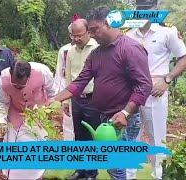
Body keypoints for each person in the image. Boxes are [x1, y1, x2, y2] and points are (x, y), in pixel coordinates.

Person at [47, 6, 153, 180]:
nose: (93, 34)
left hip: (124, 118)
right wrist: (55, 99)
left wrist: (126, 112)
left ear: (108, 24)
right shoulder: (97, 54)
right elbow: (80, 82)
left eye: (95, 30)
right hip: (105, 118)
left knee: (116, 164)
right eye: (90, 31)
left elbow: (144, 85)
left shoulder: (130, 49)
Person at [125, 1, 186, 179]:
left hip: (156, 90)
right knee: (131, 137)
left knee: (157, 137)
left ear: (156, 8)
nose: (144, 11)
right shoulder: (128, 34)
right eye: (141, 7)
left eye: (148, 7)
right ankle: (129, 176)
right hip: (132, 91)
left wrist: (167, 79)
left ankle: (158, 175)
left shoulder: (167, 32)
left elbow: (183, 57)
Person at [0, 60, 56, 179]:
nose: (18, 87)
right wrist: (2, 122)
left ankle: (36, 176)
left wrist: (48, 110)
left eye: (21, 85)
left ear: (28, 77)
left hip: (38, 113)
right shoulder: (3, 78)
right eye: (15, 84)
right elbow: (3, 102)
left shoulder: (42, 71)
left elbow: (53, 93)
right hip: (16, 113)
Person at [65, 19, 101, 180]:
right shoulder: (70, 51)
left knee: (92, 135)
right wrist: (66, 100)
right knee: (78, 135)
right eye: (74, 36)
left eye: (80, 35)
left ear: (88, 32)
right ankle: (80, 170)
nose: (77, 39)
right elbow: (68, 77)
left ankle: (91, 173)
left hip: (93, 98)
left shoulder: (98, 48)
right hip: (76, 100)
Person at [54, 22, 75, 141]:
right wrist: (57, 92)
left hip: (84, 89)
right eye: (72, 34)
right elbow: (59, 71)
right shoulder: (64, 50)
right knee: (67, 119)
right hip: (66, 85)